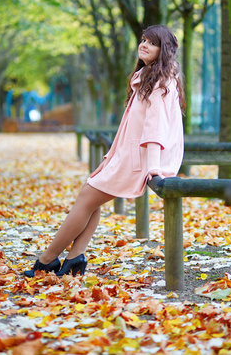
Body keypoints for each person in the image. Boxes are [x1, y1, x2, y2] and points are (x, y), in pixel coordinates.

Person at [24, 25, 185, 278]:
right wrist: (113, 156)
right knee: (88, 198)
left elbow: (156, 129)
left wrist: (154, 168)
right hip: (129, 155)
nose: (143, 45)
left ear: (163, 50)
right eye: (142, 40)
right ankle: (74, 257)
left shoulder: (161, 83)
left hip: (141, 158)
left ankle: (47, 260)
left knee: (87, 197)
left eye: (151, 43)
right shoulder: (148, 78)